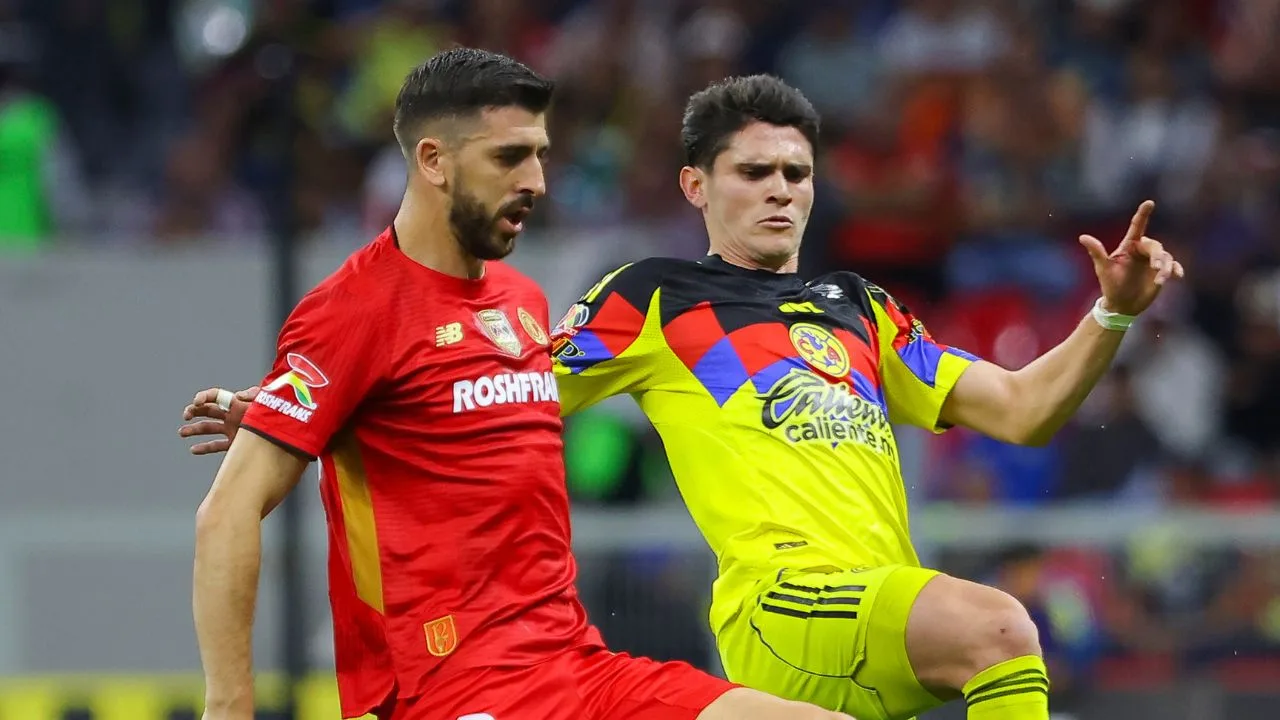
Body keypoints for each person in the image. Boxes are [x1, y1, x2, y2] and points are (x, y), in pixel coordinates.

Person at [184, 74, 1184, 720]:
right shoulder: (653, 299)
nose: (782, 190)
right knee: (1000, 629)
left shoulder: (861, 309)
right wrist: (288, 408)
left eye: (797, 171)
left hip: (869, 612)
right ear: (696, 186)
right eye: (753, 171)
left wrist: (1107, 320)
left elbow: (1017, 408)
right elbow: (500, 384)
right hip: (779, 605)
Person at [184, 49, 850, 720]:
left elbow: (447, 403)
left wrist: (299, 412)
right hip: (453, 692)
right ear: (434, 161)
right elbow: (225, 514)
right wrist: (230, 706)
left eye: (539, 155)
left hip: (578, 667)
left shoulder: (521, 299)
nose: (535, 180)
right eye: (508, 157)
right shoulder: (352, 310)